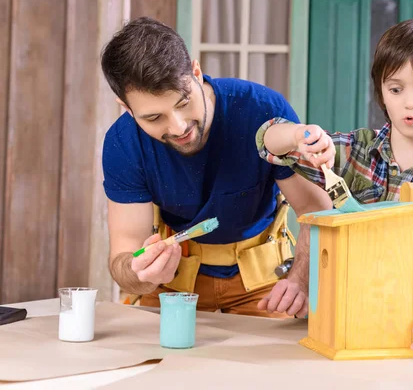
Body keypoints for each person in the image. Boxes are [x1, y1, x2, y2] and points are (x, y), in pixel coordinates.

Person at [255, 19, 413, 356]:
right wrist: (301, 136)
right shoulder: (353, 153)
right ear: (380, 90)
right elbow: (268, 143)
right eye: (396, 89)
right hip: (349, 335)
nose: (409, 103)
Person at [100, 17, 331, 318]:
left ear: (196, 72)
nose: (179, 126)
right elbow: (124, 257)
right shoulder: (123, 143)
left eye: (183, 102)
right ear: (127, 108)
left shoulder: (262, 110)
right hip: (172, 288)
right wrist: (140, 273)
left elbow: (318, 212)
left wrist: (302, 278)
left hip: (267, 286)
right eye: (154, 118)